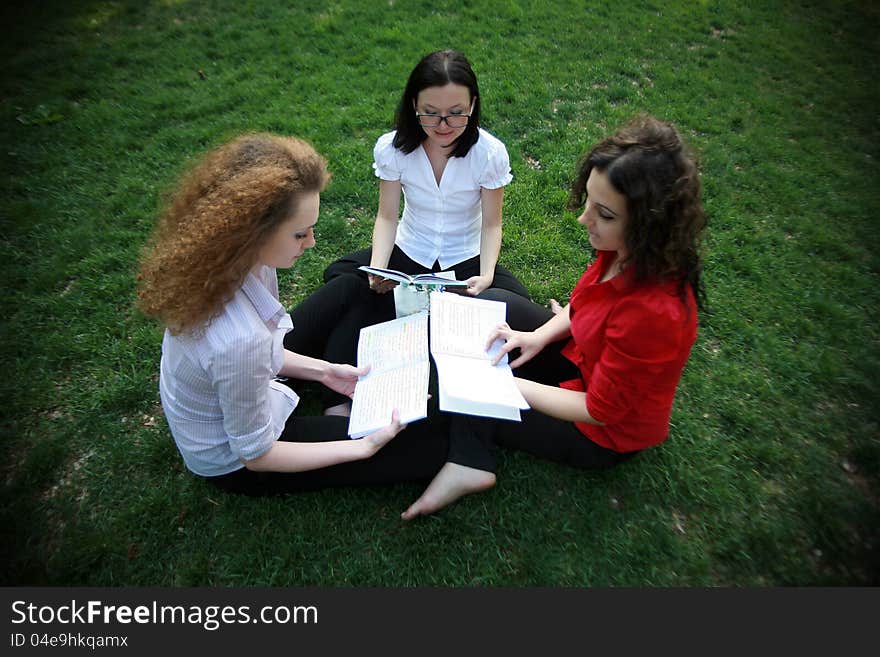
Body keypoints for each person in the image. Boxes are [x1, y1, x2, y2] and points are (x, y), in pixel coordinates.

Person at [136, 133, 494, 506]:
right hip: (240, 459)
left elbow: (266, 347)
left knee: (353, 289)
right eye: (299, 234)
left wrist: (325, 372)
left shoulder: (243, 262)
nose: (311, 243)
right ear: (251, 231)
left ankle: (337, 410)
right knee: (430, 443)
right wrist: (362, 448)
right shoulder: (237, 340)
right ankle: (347, 424)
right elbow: (256, 455)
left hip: (245, 381)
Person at [401, 115, 707, 517]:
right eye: (589, 204)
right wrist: (540, 336)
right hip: (580, 361)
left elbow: (600, 410)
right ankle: (481, 410)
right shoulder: (626, 251)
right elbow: (585, 302)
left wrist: (508, 386)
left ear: (649, 224)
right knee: (493, 305)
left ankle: (469, 463)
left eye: (605, 214)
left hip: (597, 433)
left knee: (468, 390)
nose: (584, 220)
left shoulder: (655, 314)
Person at [322, 49, 530, 308]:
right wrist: (378, 267)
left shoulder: (489, 153)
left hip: (465, 257)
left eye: (456, 113)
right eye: (430, 113)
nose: (443, 126)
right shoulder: (392, 149)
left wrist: (487, 275)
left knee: (517, 300)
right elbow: (387, 216)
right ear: (414, 105)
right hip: (410, 250)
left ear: (473, 104)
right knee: (339, 274)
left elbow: (491, 224)